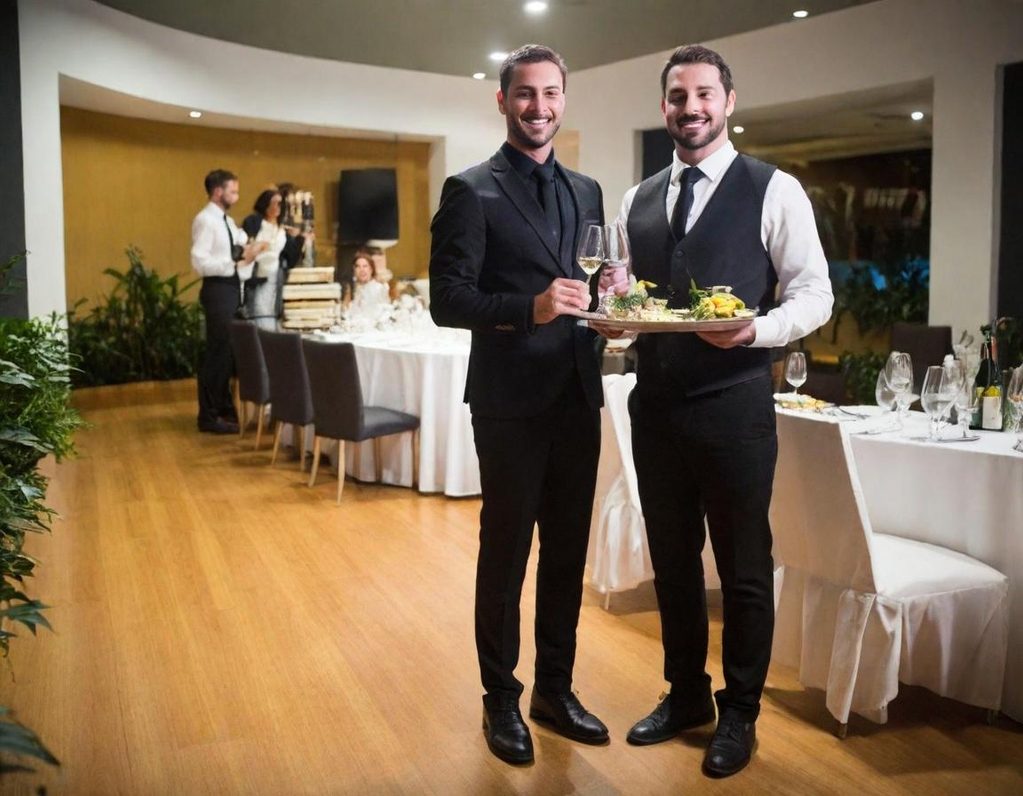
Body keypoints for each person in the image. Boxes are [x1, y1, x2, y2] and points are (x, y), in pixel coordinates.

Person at [615, 45, 833, 777]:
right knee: (672, 562)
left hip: (734, 406)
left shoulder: (775, 189)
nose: (692, 108)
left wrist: (756, 330)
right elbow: (627, 298)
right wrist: (616, 318)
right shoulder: (637, 199)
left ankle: (740, 712)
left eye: (705, 94)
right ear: (664, 108)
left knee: (742, 567)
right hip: (655, 405)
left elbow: (814, 293)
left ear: (729, 102)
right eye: (678, 97)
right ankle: (685, 695)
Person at [429, 44, 608, 765]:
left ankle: (554, 690)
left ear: (564, 99)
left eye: (551, 93)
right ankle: (499, 698)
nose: (540, 106)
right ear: (502, 101)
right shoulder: (470, 190)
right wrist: (527, 308)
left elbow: (592, 285)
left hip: (578, 394)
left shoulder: (588, 191)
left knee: (567, 553)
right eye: (526, 94)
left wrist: (610, 304)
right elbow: (448, 302)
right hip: (509, 402)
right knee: (505, 554)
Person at [190, 169, 267, 433]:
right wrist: (233, 262)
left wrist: (250, 251)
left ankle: (224, 410)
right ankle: (209, 416)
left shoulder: (228, 221)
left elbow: (240, 248)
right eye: (232, 191)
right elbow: (200, 261)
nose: (237, 196)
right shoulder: (205, 220)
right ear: (218, 192)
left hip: (232, 289)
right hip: (218, 290)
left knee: (228, 355)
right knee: (217, 354)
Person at [243, 189, 288, 328]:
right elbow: (250, 248)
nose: (277, 207)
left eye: (280, 204)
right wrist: (262, 246)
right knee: (258, 310)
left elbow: (277, 251)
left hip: (274, 276)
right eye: (273, 203)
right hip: (257, 274)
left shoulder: (281, 230)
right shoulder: (255, 223)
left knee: (271, 311)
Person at [345, 251, 390, 316]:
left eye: (365, 266)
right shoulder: (355, 288)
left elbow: (385, 312)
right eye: (358, 266)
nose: (362, 270)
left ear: (371, 269)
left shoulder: (378, 288)